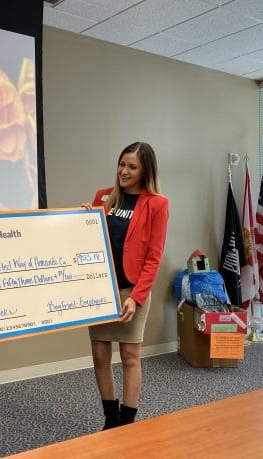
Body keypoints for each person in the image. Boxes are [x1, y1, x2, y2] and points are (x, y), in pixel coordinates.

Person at [84, 142, 169, 430]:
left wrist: (137, 296)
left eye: (132, 167)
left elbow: (154, 257)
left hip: (130, 290)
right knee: (99, 354)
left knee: (130, 355)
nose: (124, 171)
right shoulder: (103, 197)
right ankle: (111, 418)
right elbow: (88, 242)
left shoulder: (157, 204)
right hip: (101, 288)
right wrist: (83, 220)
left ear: (145, 171)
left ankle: (128, 421)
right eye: (122, 164)